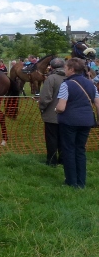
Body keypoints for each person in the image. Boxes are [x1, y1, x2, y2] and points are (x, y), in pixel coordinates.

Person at [55, 57, 99, 188]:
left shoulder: (66, 84)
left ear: (72, 69)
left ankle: (71, 182)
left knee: (69, 150)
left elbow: (61, 107)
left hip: (69, 122)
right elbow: (97, 103)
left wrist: (55, 109)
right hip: (86, 121)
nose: (65, 70)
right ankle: (81, 182)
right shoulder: (91, 84)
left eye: (66, 68)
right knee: (80, 150)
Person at [38, 58, 66, 166]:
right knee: (64, 138)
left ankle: (52, 161)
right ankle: (63, 159)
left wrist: (41, 107)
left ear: (52, 67)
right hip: (67, 115)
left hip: (52, 115)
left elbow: (45, 98)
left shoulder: (51, 78)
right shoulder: (71, 78)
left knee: (52, 139)